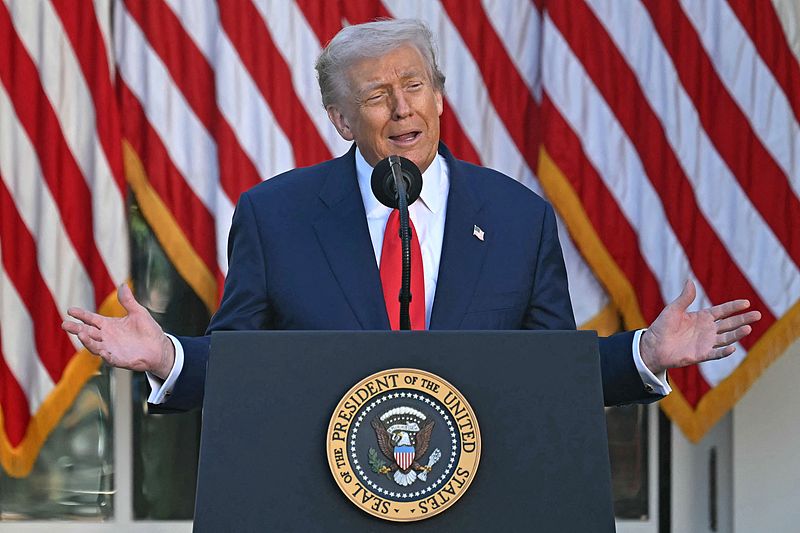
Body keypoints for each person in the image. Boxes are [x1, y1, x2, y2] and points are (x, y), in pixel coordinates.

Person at [62, 19, 760, 411]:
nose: (402, 109)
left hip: (479, 505)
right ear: (342, 120)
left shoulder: (517, 218)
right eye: (376, 96)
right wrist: (167, 356)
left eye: (415, 86)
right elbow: (243, 366)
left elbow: (548, 373)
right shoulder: (275, 217)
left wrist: (646, 353)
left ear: (439, 96)